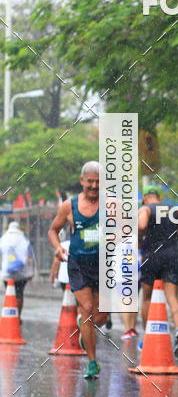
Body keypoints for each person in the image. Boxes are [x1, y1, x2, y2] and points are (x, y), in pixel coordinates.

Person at [48, 161, 107, 379]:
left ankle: (85, 333)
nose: (93, 186)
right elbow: (53, 230)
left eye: (98, 182)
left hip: (103, 265)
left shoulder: (111, 205)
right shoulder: (69, 206)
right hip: (78, 265)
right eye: (89, 181)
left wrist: (116, 237)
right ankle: (92, 362)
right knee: (87, 309)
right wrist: (58, 248)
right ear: (82, 181)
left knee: (100, 315)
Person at [138, 185, 178, 357]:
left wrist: (141, 237)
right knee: (173, 297)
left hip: (151, 257)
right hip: (171, 256)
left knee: (146, 297)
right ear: (158, 197)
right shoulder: (174, 210)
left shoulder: (145, 209)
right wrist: (172, 236)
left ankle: (148, 336)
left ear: (146, 197)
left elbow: (141, 226)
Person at [0, 221, 35, 318]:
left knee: (9, 293)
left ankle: (9, 316)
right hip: (21, 274)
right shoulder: (23, 239)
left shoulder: (3, 239)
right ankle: (18, 316)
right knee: (19, 294)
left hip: (7, 274)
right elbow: (29, 257)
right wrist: (31, 272)